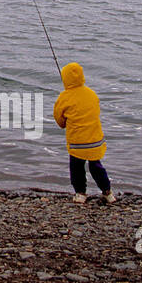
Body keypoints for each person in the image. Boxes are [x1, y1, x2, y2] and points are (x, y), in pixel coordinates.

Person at [53, 62, 113, 204]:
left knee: (77, 168)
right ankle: (107, 192)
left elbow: (59, 119)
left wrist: (64, 123)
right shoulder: (92, 94)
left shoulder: (64, 97)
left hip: (77, 143)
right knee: (96, 166)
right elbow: (96, 112)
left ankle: (80, 194)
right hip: (95, 141)